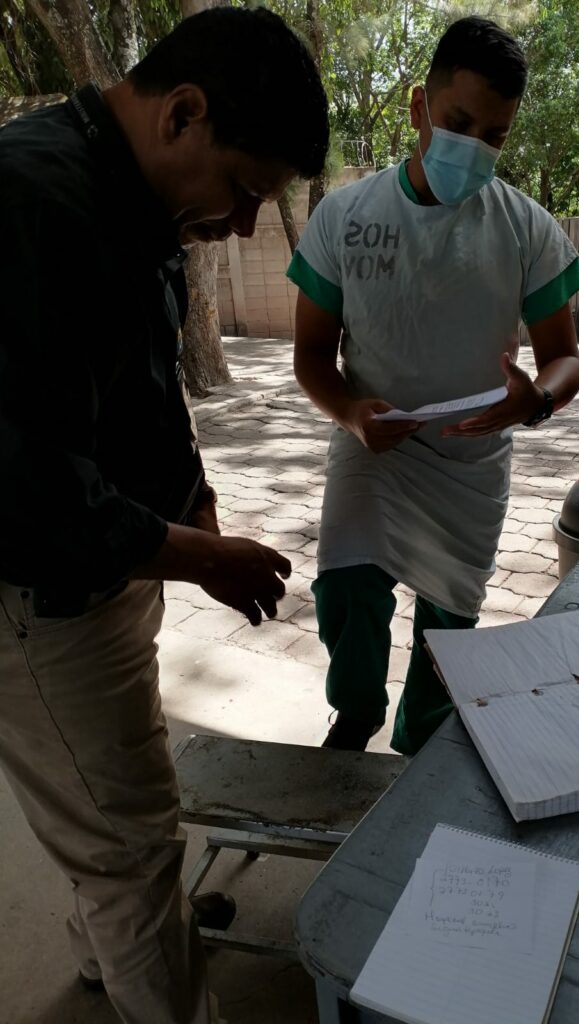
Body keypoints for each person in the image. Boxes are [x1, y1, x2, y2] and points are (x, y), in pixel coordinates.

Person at [0, 8, 328, 1023]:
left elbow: (142, 388)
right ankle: (150, 963)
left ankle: (115, 944)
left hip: (114, 567)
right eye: (244, 191)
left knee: (103, 799)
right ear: (183, 113)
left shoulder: (130, 199)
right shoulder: (28, 201)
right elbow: (23, 486)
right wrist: (195, 555)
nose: (243, 226)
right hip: (43, 595)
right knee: (131, 843)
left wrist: (195, 504)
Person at [289, 16, 579, 755]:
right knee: (347, 588)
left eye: (495, 135)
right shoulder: (345, 218)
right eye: (458, 123)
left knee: (449, 627)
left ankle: (422, 741)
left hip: (472, 464)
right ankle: (355, 715)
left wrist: (538, 399)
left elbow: (564, 359)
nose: (474, 147)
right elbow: (311, 356)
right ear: (420, 107)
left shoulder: (526, 229)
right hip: (374, 450)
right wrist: (350, 413)